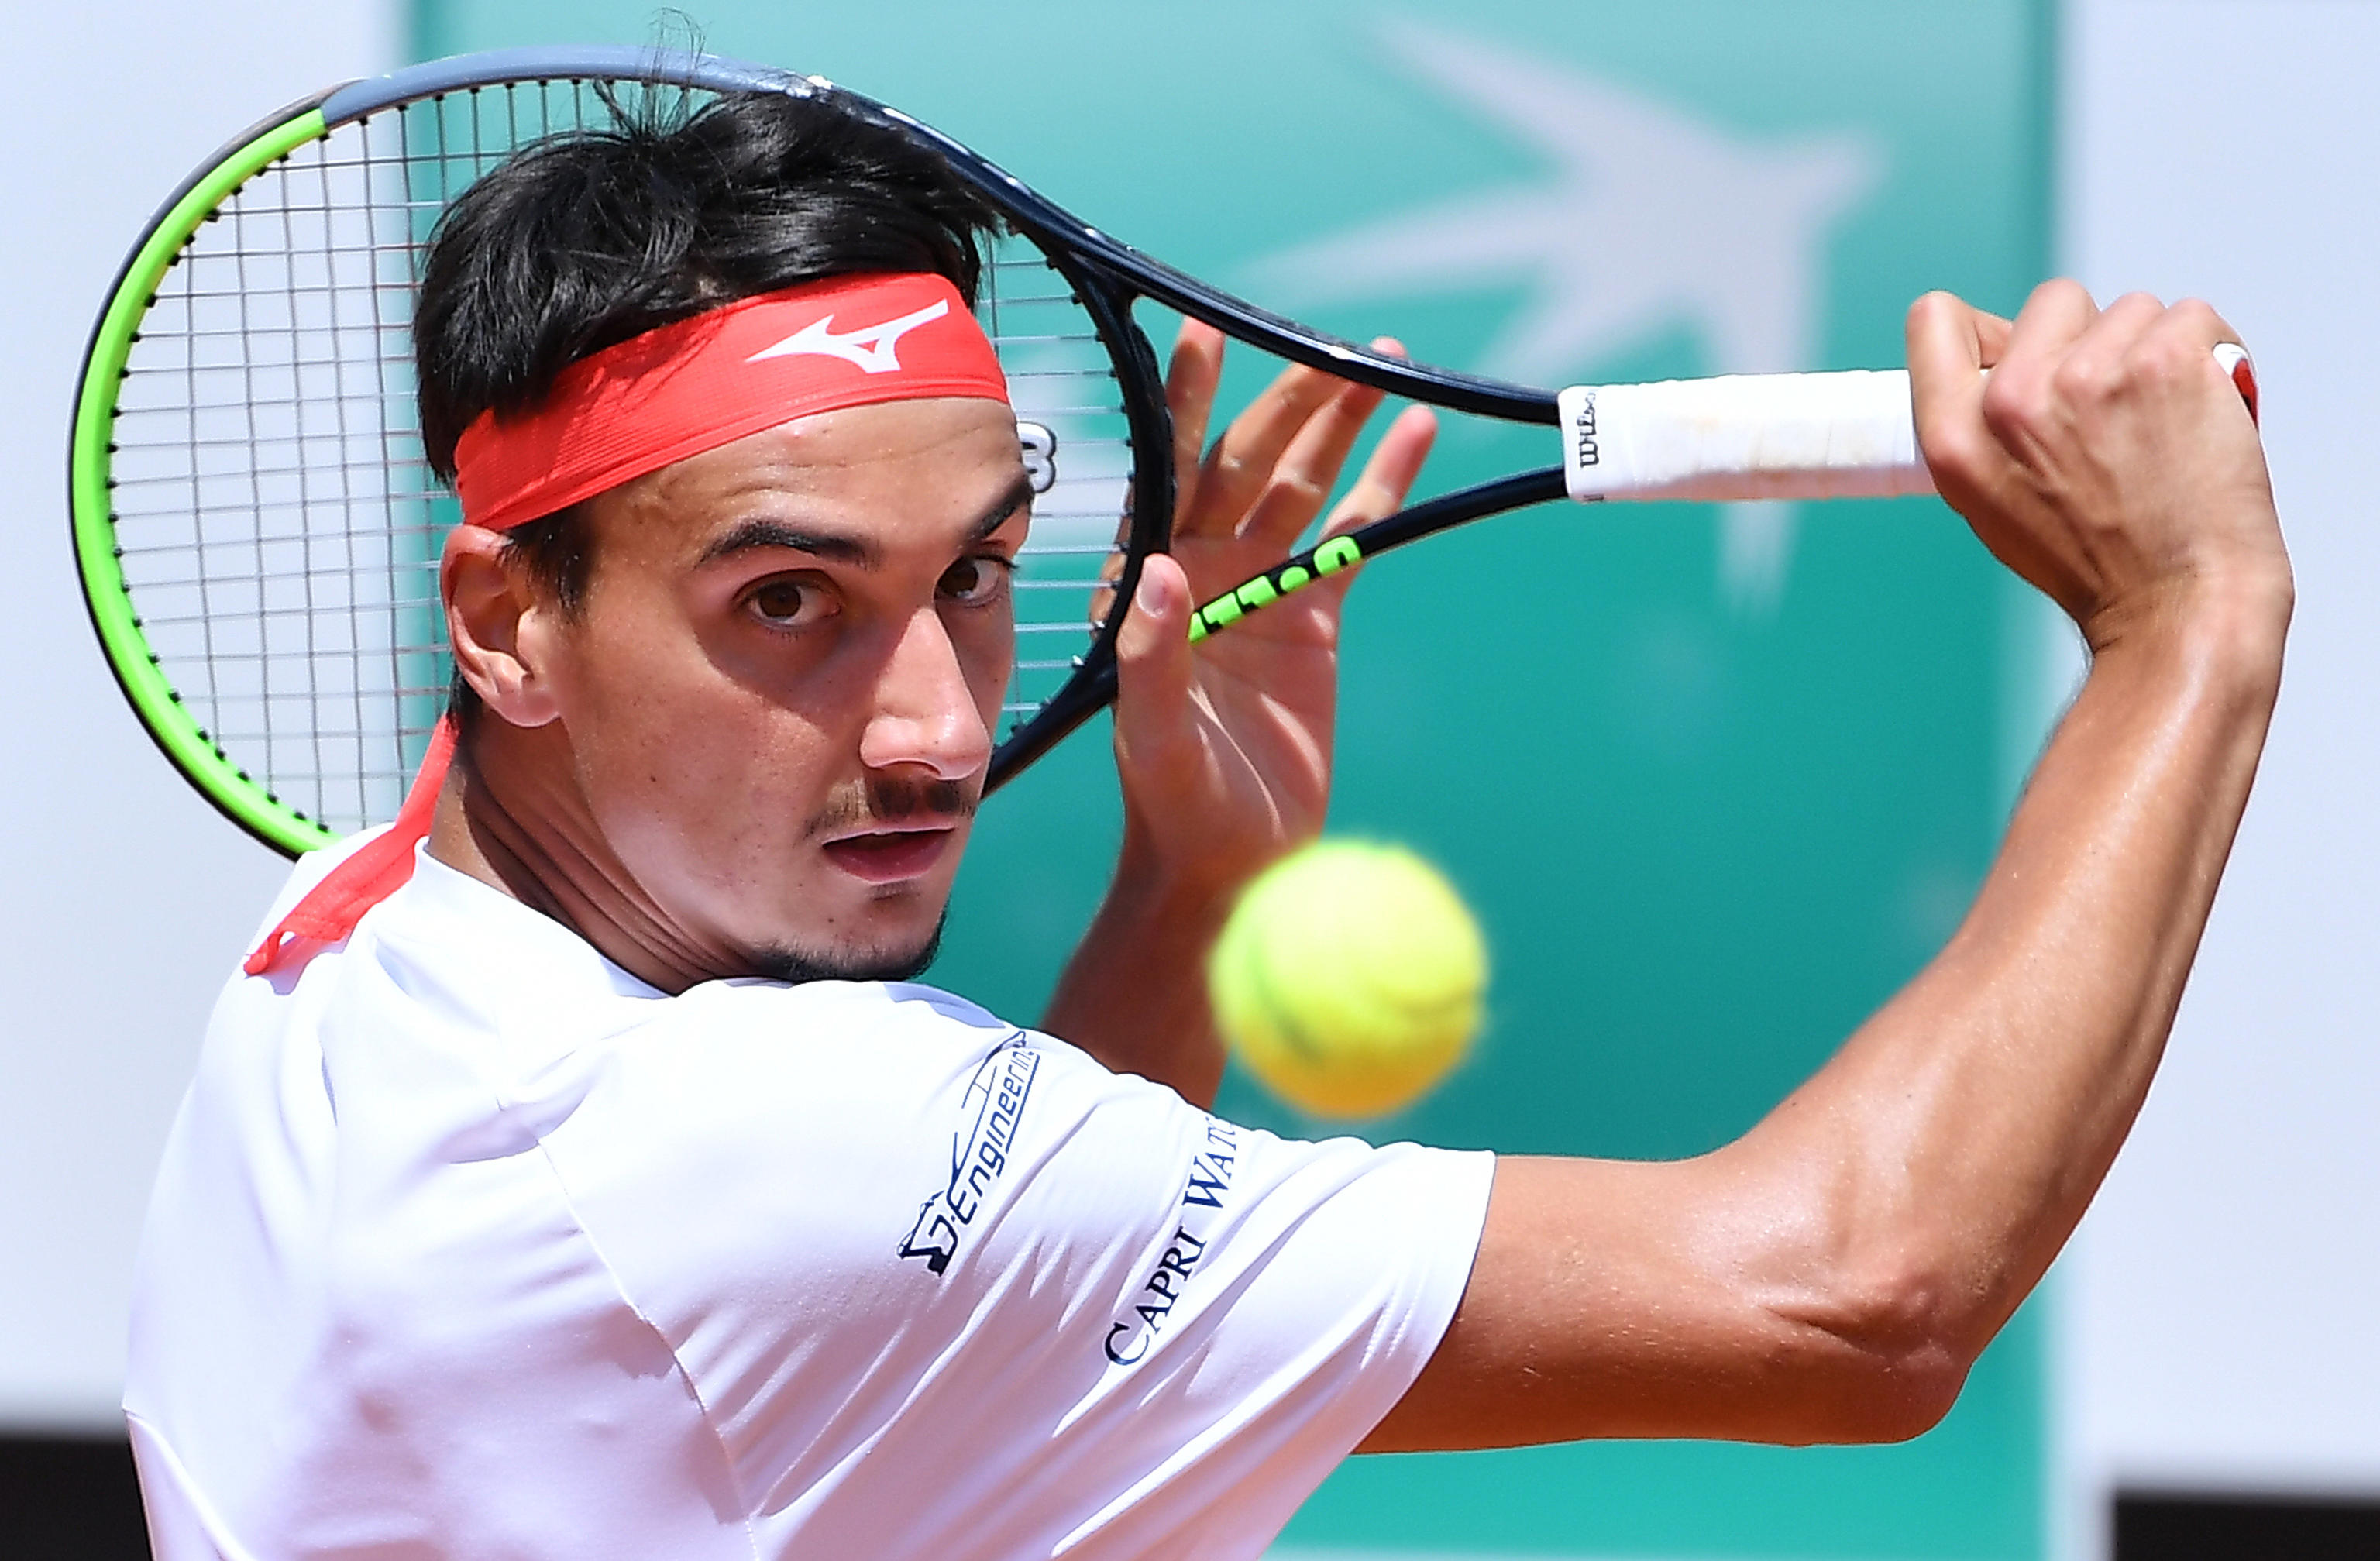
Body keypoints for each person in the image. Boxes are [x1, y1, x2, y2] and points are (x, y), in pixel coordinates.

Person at [121, 85, 2288, 1559]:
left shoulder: (350, 936)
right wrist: (2186, 624)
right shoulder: (734, 1148)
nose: (929, 730)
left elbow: (955, 1356)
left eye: (971, 577)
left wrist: (1193, 888)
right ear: (508, 619)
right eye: (787, 602)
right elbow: (1852, 1302)